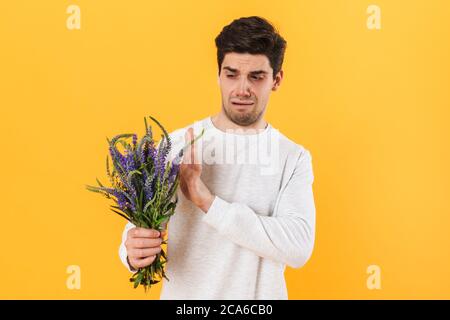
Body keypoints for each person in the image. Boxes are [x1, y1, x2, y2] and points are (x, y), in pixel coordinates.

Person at [119, 16, 316, 299]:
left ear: (277, 79)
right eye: (231, 74)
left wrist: (206, 201)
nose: (242, 89)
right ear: (218, 74)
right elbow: (139, 230)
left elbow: (298, 247)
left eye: (256, 76)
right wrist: (131, 250)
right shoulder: (174, 145)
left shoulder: (293, 158)